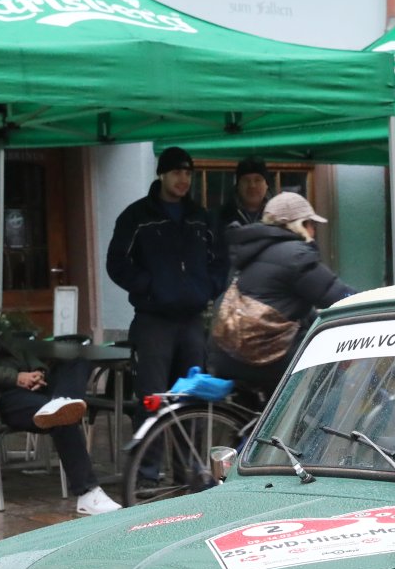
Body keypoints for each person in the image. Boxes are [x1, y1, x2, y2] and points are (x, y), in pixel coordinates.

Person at [0, 280, 121, 515]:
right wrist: (17, 378)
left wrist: (38, 372)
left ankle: (61, 401)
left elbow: (24, 353)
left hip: (24, 387)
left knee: (78, 364)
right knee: (61, 417)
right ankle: (88, 493)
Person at [106, 146, 224, 476]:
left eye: (188, 173)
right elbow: (117, 263)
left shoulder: (201, 217)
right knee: (153, 399)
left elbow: (220, 260)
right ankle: (147, 473)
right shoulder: (136, 216)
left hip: (192, 321)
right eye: (176, 172)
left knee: (191, 398)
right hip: (153, 321)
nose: (183, 179)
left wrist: (208, 288)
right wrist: (149, 285)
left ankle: (189, 472)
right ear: (161, 174)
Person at [210, 192, 356, 394]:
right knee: (330, 361)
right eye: (311, 224)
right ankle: (312, 414)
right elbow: (336, 295)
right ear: (300, 225)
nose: (314, 231)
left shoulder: (250, 251)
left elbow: (280, 303)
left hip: (226, 353)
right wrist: (367, 301)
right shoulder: (296, 255)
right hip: (262, 355)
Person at [214, 156, 271, 256]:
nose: (252, 185)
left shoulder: (278, 217)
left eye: (258, 180)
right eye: (246, 180)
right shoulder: (219, 217)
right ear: (238, 185)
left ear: (266, 185)